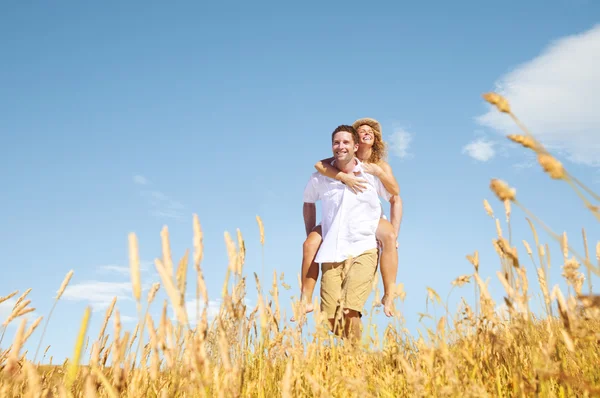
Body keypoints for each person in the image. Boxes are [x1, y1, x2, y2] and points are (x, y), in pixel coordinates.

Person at [299, 118, 402, 318]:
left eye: (370, 133)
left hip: (368, 218)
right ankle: (305, 299)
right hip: (336, 218)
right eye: (362, 131)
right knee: (310, 243)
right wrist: (343, 177)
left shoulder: (376, 168)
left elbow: (396, 196)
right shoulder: (334, 163)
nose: (366, 133)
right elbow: (319, 165)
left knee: (388, 236)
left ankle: (389, 294)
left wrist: (395, 234)